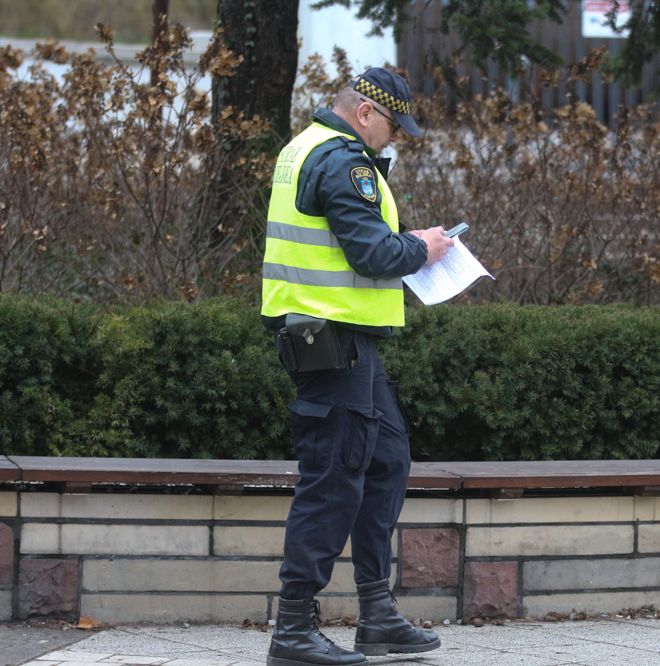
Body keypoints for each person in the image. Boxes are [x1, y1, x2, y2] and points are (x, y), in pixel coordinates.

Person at [260, 67, 453, 666]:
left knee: (387, 459)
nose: (394, 138)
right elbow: (373, 253)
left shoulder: (303, 149)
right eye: (394, 125)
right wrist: (424, 246)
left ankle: (378, 616)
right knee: (334, 476)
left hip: (342, 342)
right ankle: (293, 630)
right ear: (366, 112)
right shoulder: (343, 161)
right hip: (329, 342)